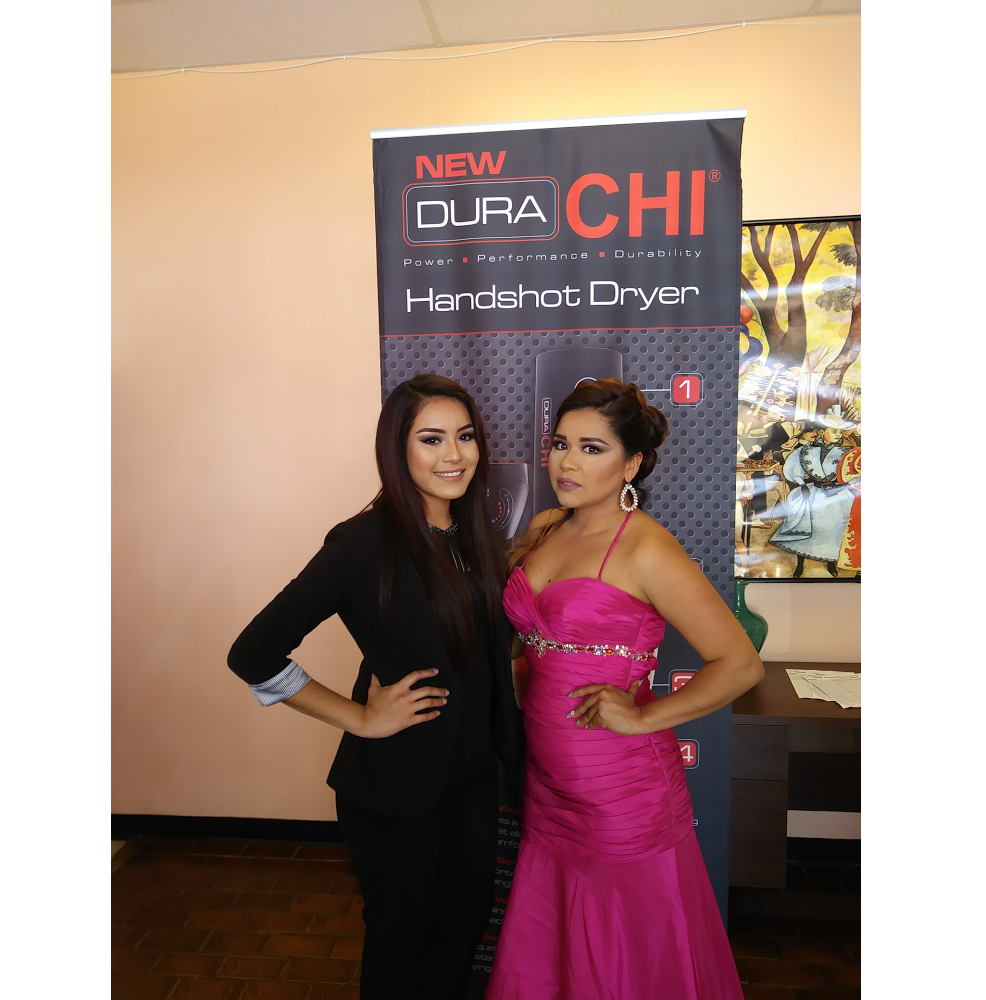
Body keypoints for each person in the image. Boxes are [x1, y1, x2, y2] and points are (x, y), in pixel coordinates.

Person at [227, 374, 523, 1000]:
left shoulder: (474, 535)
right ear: (397, 448)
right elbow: (252, 653)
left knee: (462, 936)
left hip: (473, 777)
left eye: (465, 436)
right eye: (432, 439)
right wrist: (360, 718)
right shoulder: (363, 541)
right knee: (400, 945)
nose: (454, 455)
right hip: (396, 789)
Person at [486, 379, 763, 1000]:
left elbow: (740, 664)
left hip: (620, 791)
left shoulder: (646, 547)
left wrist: (641, 718)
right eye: (561, 444)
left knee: (622, 951)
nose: (567, 462)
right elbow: (536, 649)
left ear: (631, 464)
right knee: (556, 939)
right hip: (548, 780)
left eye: (592, 448)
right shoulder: (547, 528)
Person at [768, 405, 858, 578]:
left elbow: (854, 474)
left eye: (840, 432)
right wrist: (802, 485)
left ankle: (831, 562)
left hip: (837, 494)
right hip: (813, 490)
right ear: (822, 431)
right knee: (805, 524)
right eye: (834, 431)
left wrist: (843, 485)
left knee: (834, 527)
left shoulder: (846, 452)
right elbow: (793, 468)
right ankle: (800, 563)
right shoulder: (806, 450)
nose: (838, 435)